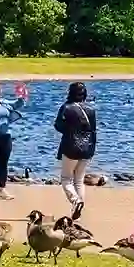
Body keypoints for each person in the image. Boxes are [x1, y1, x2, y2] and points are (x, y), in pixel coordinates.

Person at [53, 82, 96, 217]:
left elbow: (58, 126)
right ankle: (79, 205)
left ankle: (75, 201)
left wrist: (69, 128)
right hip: (88, 148)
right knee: (79, 179)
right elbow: (93, 130)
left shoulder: (66, 107)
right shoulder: (91, 109)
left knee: (66, 178)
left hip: (71, 146)